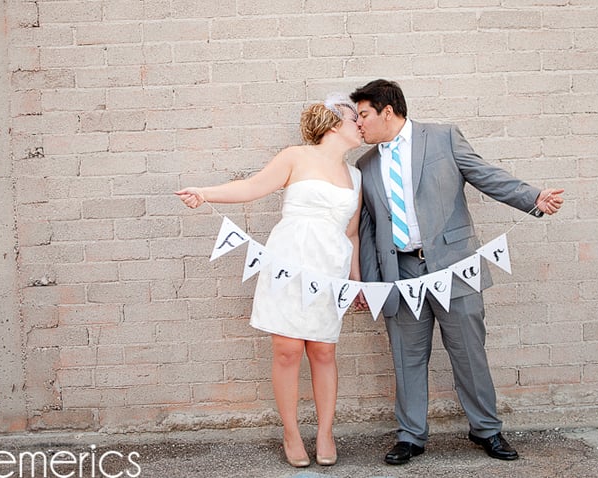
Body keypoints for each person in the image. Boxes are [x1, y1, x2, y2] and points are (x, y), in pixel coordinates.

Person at [349, 79, 564, 465]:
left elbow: (485, 175)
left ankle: (486, 429)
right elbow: (366, 229)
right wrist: (370, 283)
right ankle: (410, 435)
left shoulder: (443, 138)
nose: (358, 124)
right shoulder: (364, 165)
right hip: (400, 273)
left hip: (455, 267)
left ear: (387, 111)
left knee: (469, 352)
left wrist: (532, 198)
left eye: (363, 115)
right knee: (407, 356)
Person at [175, 95, 365, 468]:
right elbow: (251, 187)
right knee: (288, 349)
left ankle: (325, 432)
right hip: (288, 263)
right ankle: (291, 432)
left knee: (323, 350)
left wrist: (355, 281)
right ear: (331, 125)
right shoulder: (295, 156)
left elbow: (353, 233)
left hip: (329, 270)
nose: (360, 123)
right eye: (353, 117)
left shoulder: (356, 176)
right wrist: (205, 192)